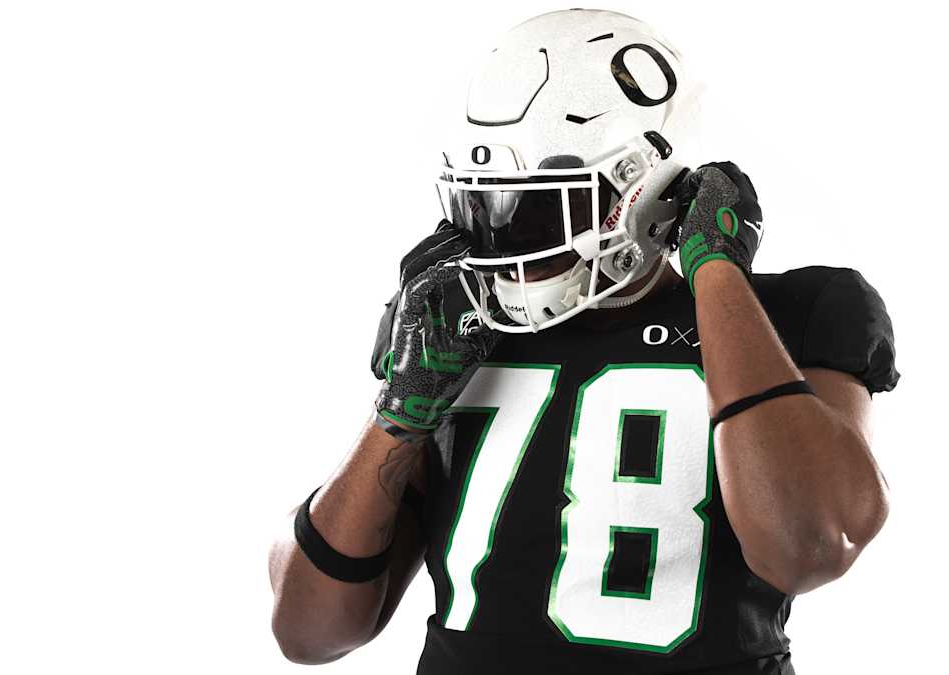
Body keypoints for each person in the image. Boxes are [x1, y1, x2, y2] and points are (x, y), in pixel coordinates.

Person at [268, 8, 899, 674]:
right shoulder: (457, 334)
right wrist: (398, 412)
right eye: (485, 211)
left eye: (540, 211)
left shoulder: (795, 312)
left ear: (642, 189)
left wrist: (716, 273)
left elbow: (813, 543)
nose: (507, 250)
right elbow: (308, 632)